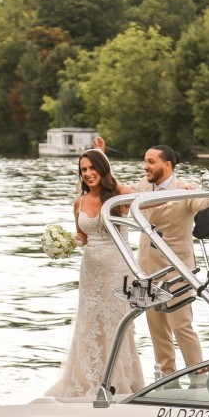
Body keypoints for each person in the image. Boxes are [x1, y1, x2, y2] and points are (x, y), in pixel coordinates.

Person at [96, 137, 209, 379]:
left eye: (150, 162)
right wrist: (103, 158)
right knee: (157, 327)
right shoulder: (144, 185)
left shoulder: (186, 188)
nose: (145, 166)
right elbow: (116, 187)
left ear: (168, 165)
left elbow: (203, 202)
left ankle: (199, 376)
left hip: (178, 268)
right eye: (145, 161)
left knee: (181, 324)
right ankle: (166, 376)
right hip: (147, 268)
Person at [46, 149, 145, 399]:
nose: (88, 174)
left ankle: (120, 380)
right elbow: (83, 236)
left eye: (92, 168)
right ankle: (90, 379)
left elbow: (147, 199)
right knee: (90, 322)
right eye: (83, 170)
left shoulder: (118, 195)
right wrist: (66, 243)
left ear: (103, 169)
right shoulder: (79, 201)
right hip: (91, 270)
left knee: (116, 321)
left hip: (118, 267)